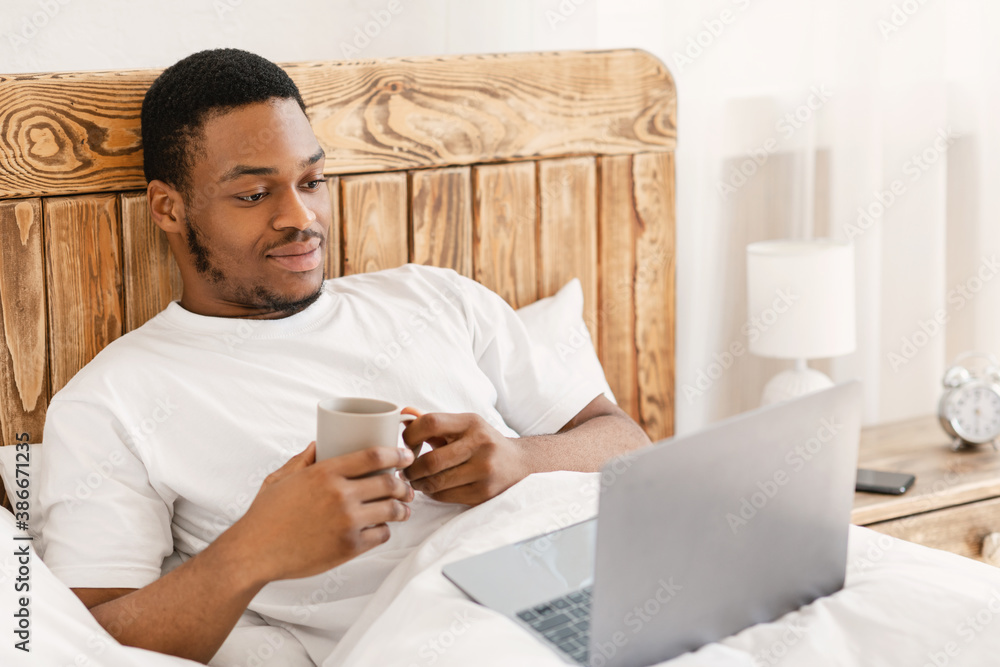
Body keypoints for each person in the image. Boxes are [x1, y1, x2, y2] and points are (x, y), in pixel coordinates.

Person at [36, 48, 652, 665]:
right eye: (254, 194)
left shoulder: (437, 298)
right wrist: (255, 550)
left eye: (311, 182)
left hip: (622, 596)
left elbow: (624, 441)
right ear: (169, 208)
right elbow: (89, 643)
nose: (300, 217)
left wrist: (521, 459)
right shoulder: (113, 399)